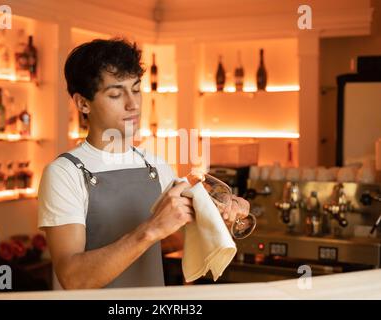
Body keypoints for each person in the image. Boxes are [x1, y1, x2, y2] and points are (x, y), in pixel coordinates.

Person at [37, 38, 250, 289]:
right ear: (83, 103)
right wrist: (151, 230)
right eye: (116, 94)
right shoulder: (64, 174)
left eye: (136, 89)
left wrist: (222, 217)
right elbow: (74, 278)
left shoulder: (155, 166)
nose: (133, 104)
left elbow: (194, 233)